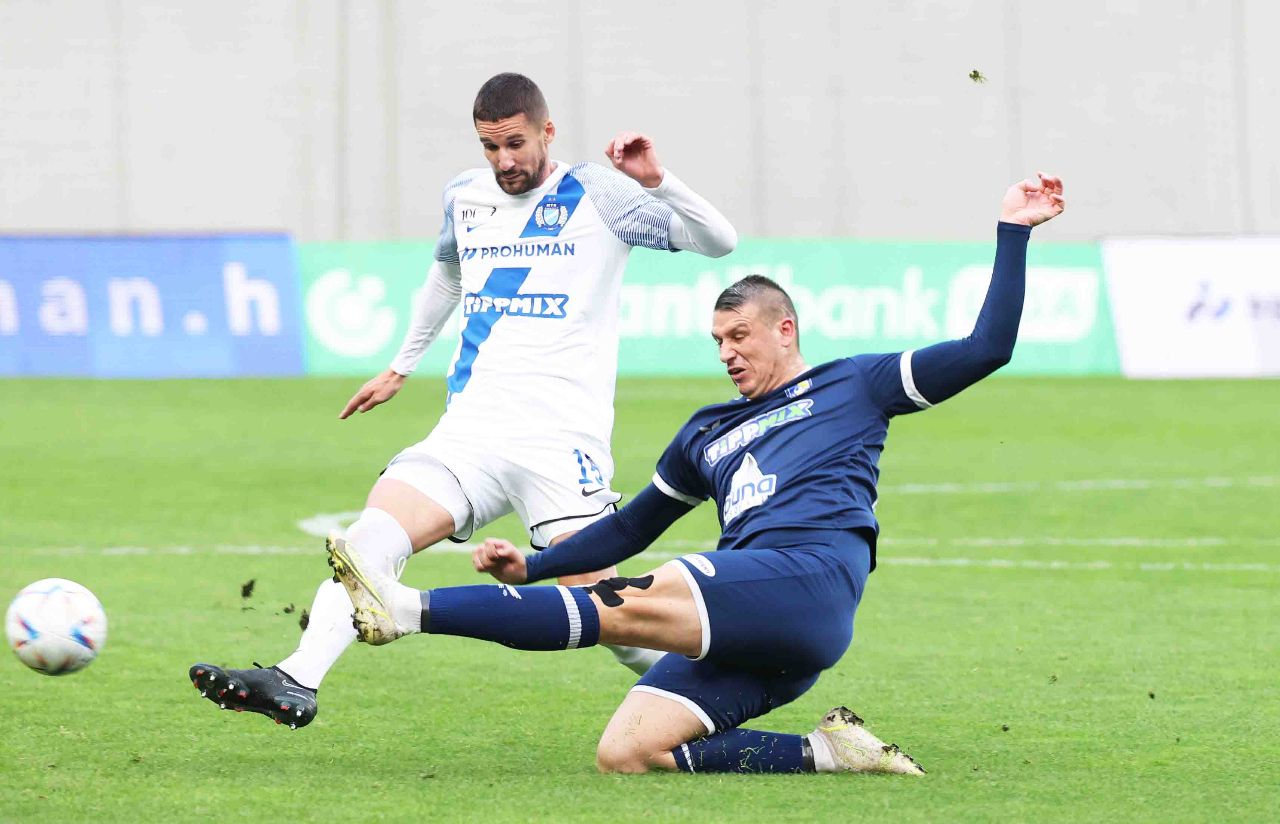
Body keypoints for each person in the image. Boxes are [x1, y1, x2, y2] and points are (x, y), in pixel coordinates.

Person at [324, 174, 1065, 773]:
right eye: (717, 340)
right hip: (755, 626)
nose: (727, 352)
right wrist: (536, 563)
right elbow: (629, 528)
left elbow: (986, 348)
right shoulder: (707, 433)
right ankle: (829, 753)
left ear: (785, 330)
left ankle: (406, 610)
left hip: (808, 579)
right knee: (627, 752)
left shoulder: (855, 385)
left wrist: (1013, 230)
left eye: (740, 335)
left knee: (623, 601)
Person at [189, 72, 737, 728]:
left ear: (547, 131)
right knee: (368, 543)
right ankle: (297, 677)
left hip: (559, 445)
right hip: (469, 433)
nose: (504, 161)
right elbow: (448, 276)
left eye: (515, 144)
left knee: (611, 614)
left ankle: (721, 692)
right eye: (490, 146)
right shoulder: (465, 196)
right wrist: (401, 365)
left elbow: (719, 240)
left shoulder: (600, 194)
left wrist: (657, 180)